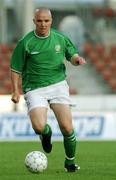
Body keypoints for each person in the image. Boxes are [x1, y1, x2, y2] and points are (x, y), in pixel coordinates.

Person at [10, 7, 86, 172]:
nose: (43, 24)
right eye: (39, 21)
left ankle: (70, 163)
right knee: (38, 126)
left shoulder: (60, 38)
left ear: (51, 21)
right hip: (34, 88)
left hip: (58, 85)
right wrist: (15, 90)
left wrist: (76, 60)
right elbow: (15, 68)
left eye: (46, 21)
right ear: (34, 21)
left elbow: (71, 55)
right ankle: (46, 134)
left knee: (67, 128)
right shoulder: (26, 42)